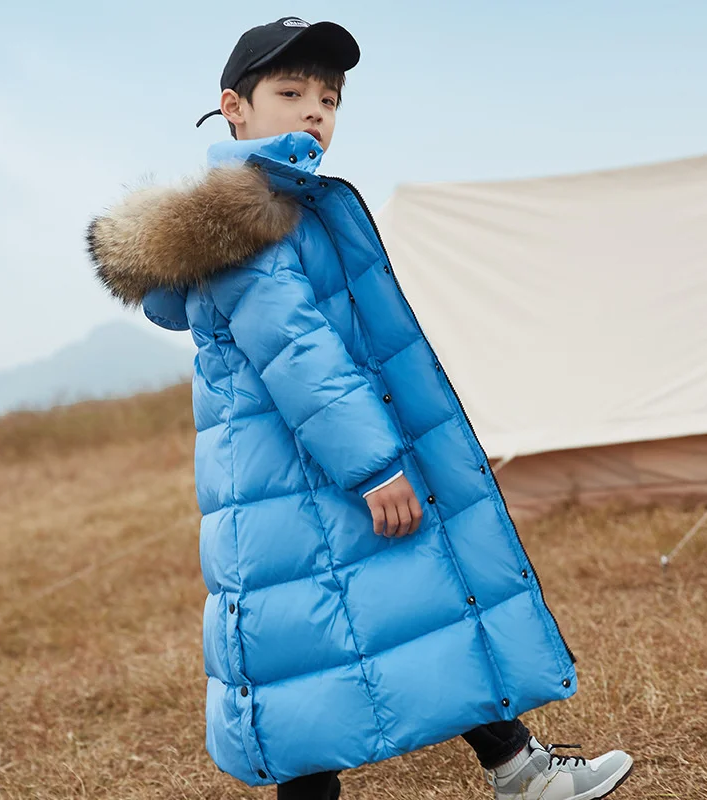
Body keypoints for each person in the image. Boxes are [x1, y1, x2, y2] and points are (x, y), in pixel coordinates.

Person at [85, 16, 634, 800]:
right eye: (291, 92)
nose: (315, 109)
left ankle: (517, 767)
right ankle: (519, 770)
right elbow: (301, 359)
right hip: (301, 477)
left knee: (413, 605)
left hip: (310, 468)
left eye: (329, 98)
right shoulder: (243, 221)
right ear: (234, 108)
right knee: (314, 656)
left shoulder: (284, 206)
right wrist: (375, 467)